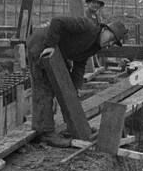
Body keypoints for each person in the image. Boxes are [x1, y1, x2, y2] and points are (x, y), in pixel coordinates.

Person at [27, 15, 128, 147]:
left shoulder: (94, 46)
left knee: (67, 88)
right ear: (105, 30)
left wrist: (74, 88)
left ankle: (75, 126)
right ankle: (46, 133)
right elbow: (57, 21)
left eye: (113, 43)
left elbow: (80, 63)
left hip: (58, 51)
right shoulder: (87, 26)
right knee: (45, 88)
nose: (109, 44)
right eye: (111, 38)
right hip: (42, 44)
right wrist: (50, 45)